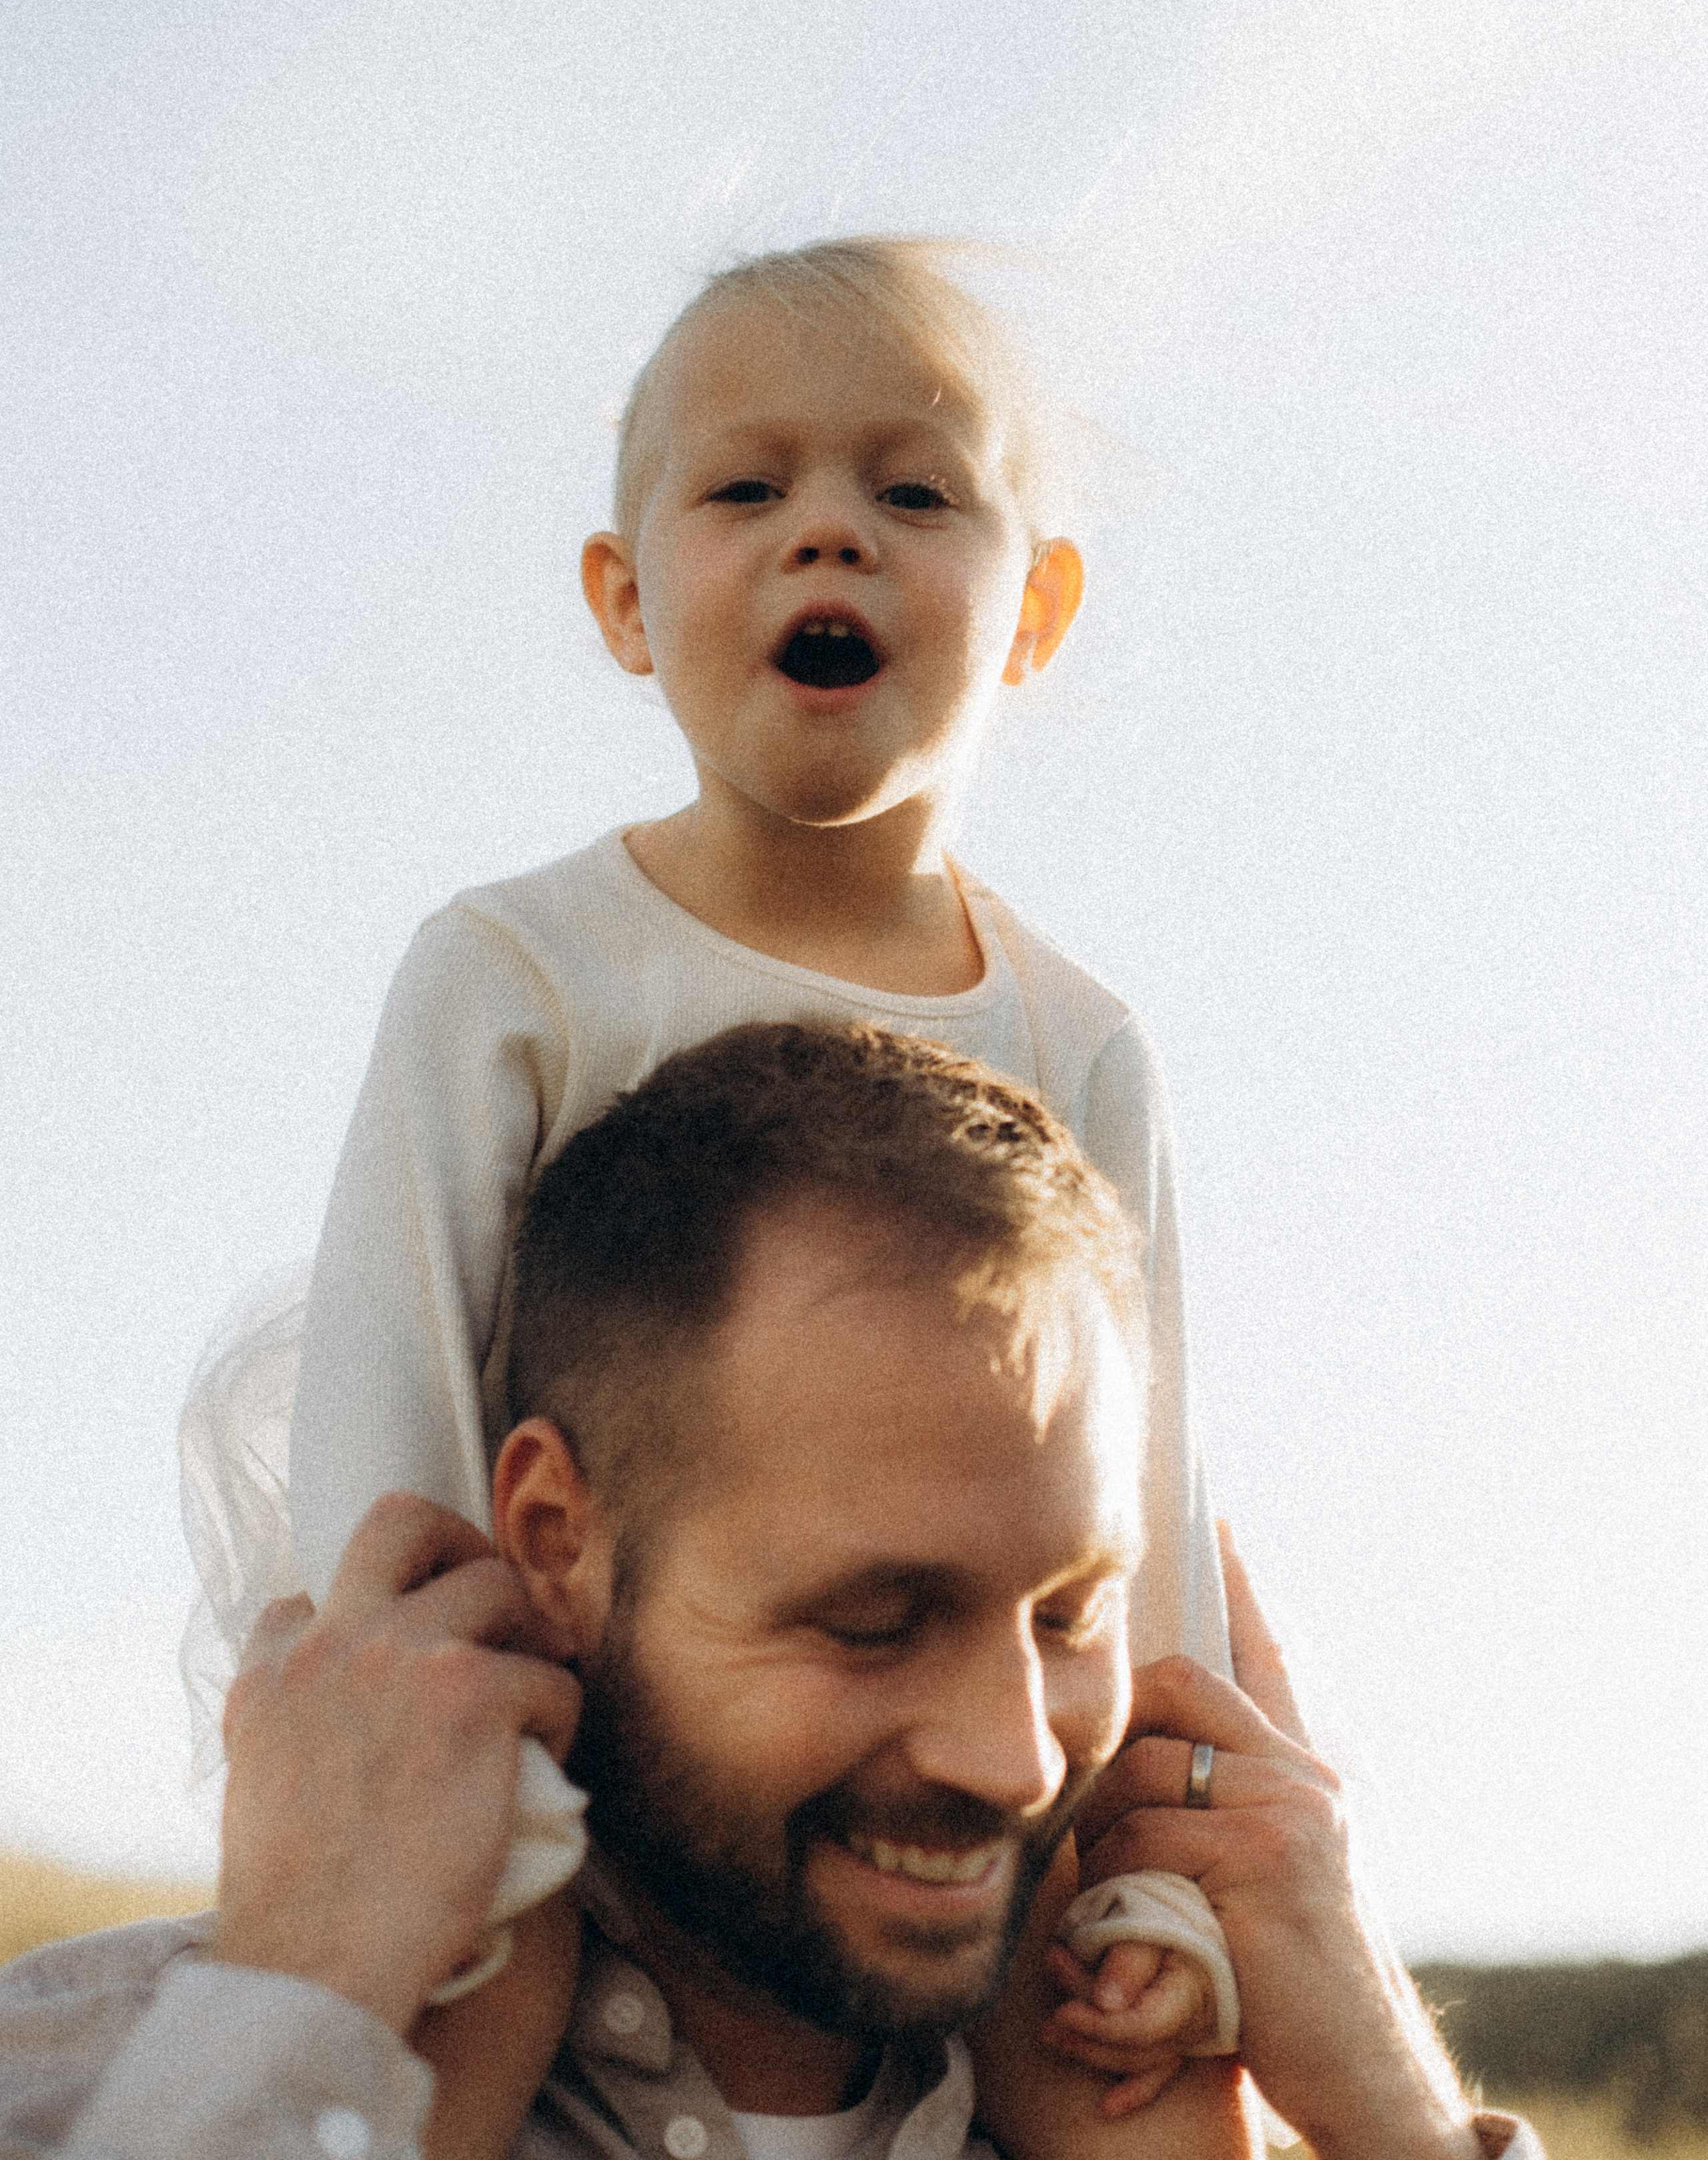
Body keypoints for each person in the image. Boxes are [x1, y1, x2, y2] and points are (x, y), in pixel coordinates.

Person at [179, 239, 1233, 2096]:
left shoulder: (1084, 1044)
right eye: (748, 488)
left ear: (1038, 608)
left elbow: (1135, 1503)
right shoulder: (517, 971)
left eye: (914, 491)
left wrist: (1163, 1899)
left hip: (928, 1784)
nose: (830, 535)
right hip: (553, 1771)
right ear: (625, 599)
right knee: (476, 2025)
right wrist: (442, 1794)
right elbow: (392, 1399)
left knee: (1099, 2079)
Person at [1, 1025, 1540, 2160]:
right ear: (552, 1536)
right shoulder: (98, 2075)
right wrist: (314, 1986)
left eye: (1069, 1613)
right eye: (873, 1620)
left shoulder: (1178, 2136)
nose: (1013, 1758)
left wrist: (1389, 2111)